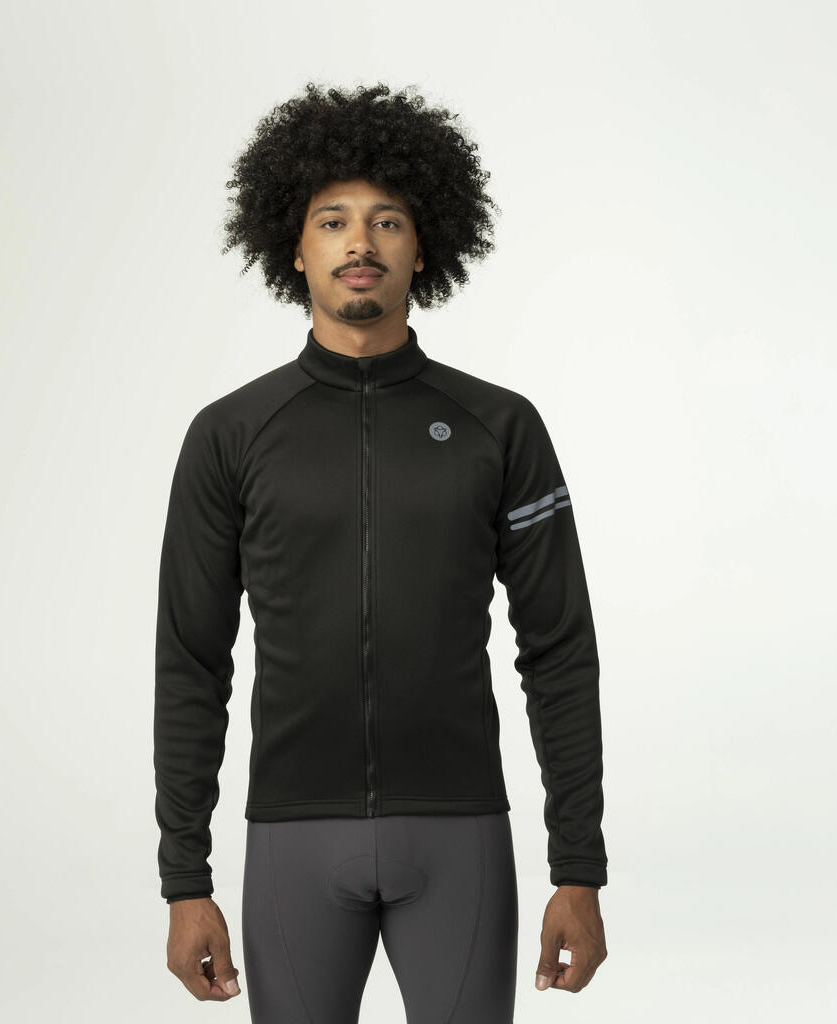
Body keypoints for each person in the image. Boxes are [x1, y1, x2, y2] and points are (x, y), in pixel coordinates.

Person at [154, 81, 608, 1022]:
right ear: (296, 247)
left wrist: (579, 868)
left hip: (460, 834)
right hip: (292, 838)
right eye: (333, 221)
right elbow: (192, 661)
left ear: (423, 246)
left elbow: (559, 649)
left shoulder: (499, 428)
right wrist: (185, 881)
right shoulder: (230, 434)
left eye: (387, 221)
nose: (360, 242)